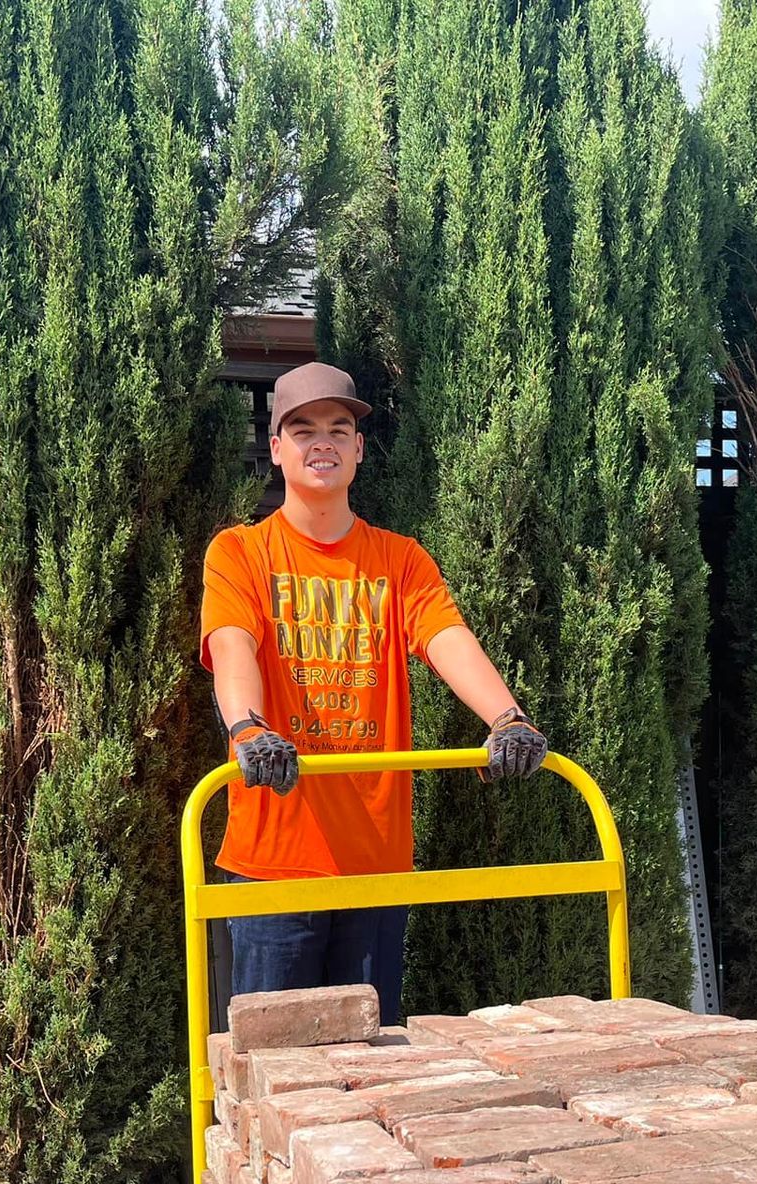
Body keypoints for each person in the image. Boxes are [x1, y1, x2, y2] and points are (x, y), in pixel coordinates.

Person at [199, 361, 547, 1022]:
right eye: (302, 430)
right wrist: (248, 728)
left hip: (376, 866)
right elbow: (231, 645)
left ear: (359, 449)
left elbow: (446, 637)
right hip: (275, 866)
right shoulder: (239, 553)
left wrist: (507, 717)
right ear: (276, 448)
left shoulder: (401, 559)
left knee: (373, 1065)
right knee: (277, 1071)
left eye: (338, 428)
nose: (321, 441)